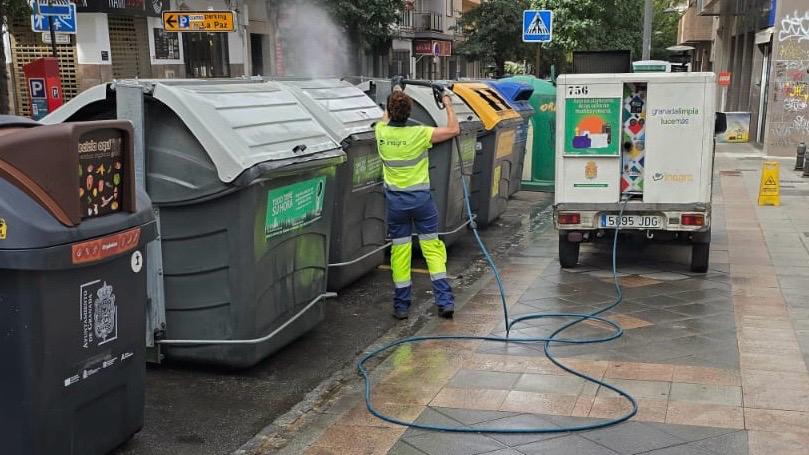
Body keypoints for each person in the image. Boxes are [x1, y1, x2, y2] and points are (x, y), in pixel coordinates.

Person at [375, 78, 461, 320]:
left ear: (390, 111)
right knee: (432, 249)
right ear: (410, 111)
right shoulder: (420, 134)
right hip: (422, 203)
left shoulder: (380, 132)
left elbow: (385, 118)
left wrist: (396, 91)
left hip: (396, 205)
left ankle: (401, 306)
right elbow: (454, 130)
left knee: (400, 253)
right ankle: (444, 302)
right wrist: (447, 102)